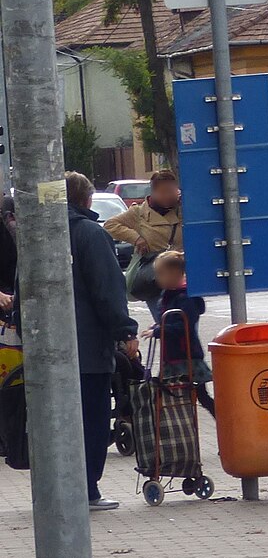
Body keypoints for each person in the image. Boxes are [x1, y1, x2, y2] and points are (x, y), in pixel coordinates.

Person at [66, 172, 139, 511]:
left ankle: (59, 489)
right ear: (86, 200)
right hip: (88, 348)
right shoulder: (91, 235)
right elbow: (109, 291)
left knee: (59, 423)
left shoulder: (40, 234)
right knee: (92, 419)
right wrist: (125, 331)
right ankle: (88, 490)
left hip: (48, 353)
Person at [140, 251, 214, 417]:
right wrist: (159, 325)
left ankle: (224, 423)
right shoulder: (169, 296)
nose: (156, 278)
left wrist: (159, 330)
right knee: (178, 394)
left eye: (160, 274)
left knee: (198, 395)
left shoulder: (183, 298)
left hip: (185, 357)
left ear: (175, 275)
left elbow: (183, 326)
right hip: (174, 357)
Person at [104, 169, 183, 316]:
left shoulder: (183, 209)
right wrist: (136, 238)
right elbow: (110, 225)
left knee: (186, 324)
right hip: (155, 277)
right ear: (153, 192)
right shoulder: (139, 213)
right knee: (165, 324)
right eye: (163, 191)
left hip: (181, 276)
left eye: (171, 191)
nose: (168, 196)